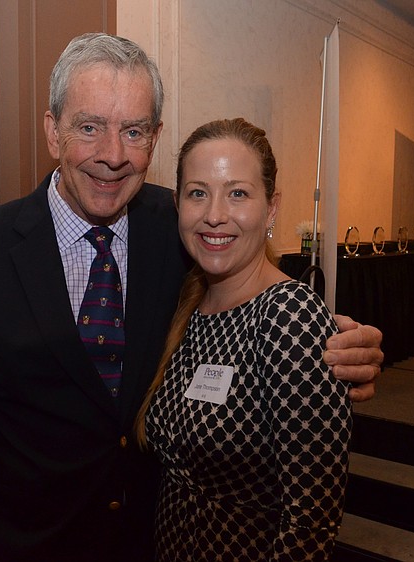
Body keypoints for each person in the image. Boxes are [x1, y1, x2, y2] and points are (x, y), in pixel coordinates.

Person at [0, 33, 382, 562]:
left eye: (133, 131)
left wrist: (338, 350)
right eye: (89, 127)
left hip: (151, 544)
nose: (112, 156)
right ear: (53, 131)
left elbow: (258, 291)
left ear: (155, 138)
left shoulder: (183, 227)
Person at [137, 118, 350, 561]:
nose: (215, 213)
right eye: (198, 193)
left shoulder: (288, 315)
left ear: (271, 208)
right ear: (177, 204)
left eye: (238, 193)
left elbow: (311, 521)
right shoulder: (189, 305)